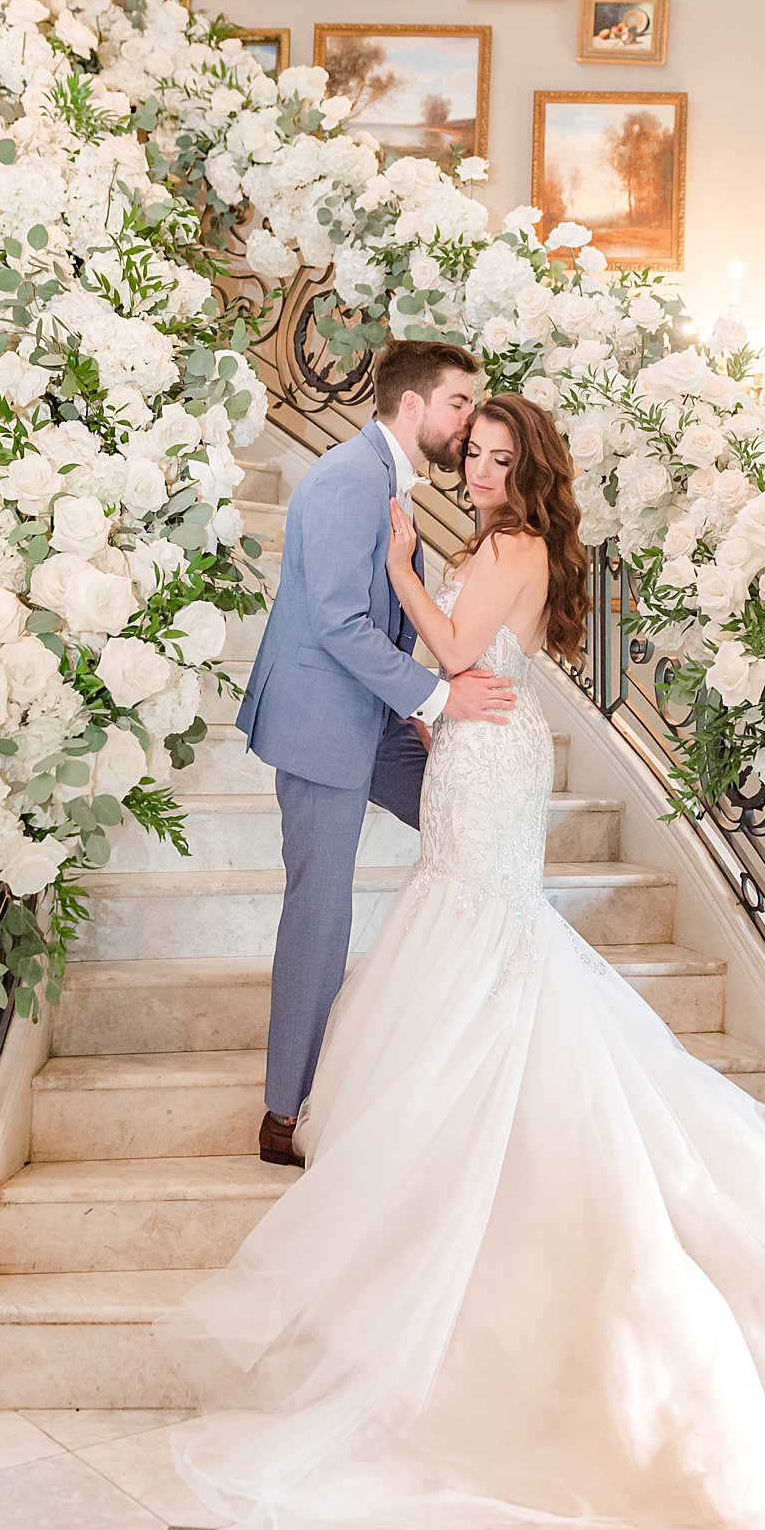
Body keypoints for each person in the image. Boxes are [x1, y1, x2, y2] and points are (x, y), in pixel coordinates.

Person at [169, 394, 765, 1530]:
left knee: (480, 924)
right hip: (482, 754)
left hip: (481, 753)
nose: (477, 472)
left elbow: (444, 656)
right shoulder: (510, 543)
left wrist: (395, 570)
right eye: (470, 454)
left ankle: (476, 1129)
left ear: (526, 470)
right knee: (468, 920)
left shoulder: (508, 548)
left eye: (495, 458)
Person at [235, 339, 516, 1167]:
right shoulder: (342, 480)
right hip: (322, 727)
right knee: (320, 915)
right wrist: (435, 695)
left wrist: (415, 718)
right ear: (413, 405)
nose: (468, 426)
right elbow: (336, 621)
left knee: (470, 821)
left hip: (380, 722)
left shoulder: (390, 479)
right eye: (460, 405)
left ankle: (470, 1043)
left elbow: (384, 613)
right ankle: (284, 1114)